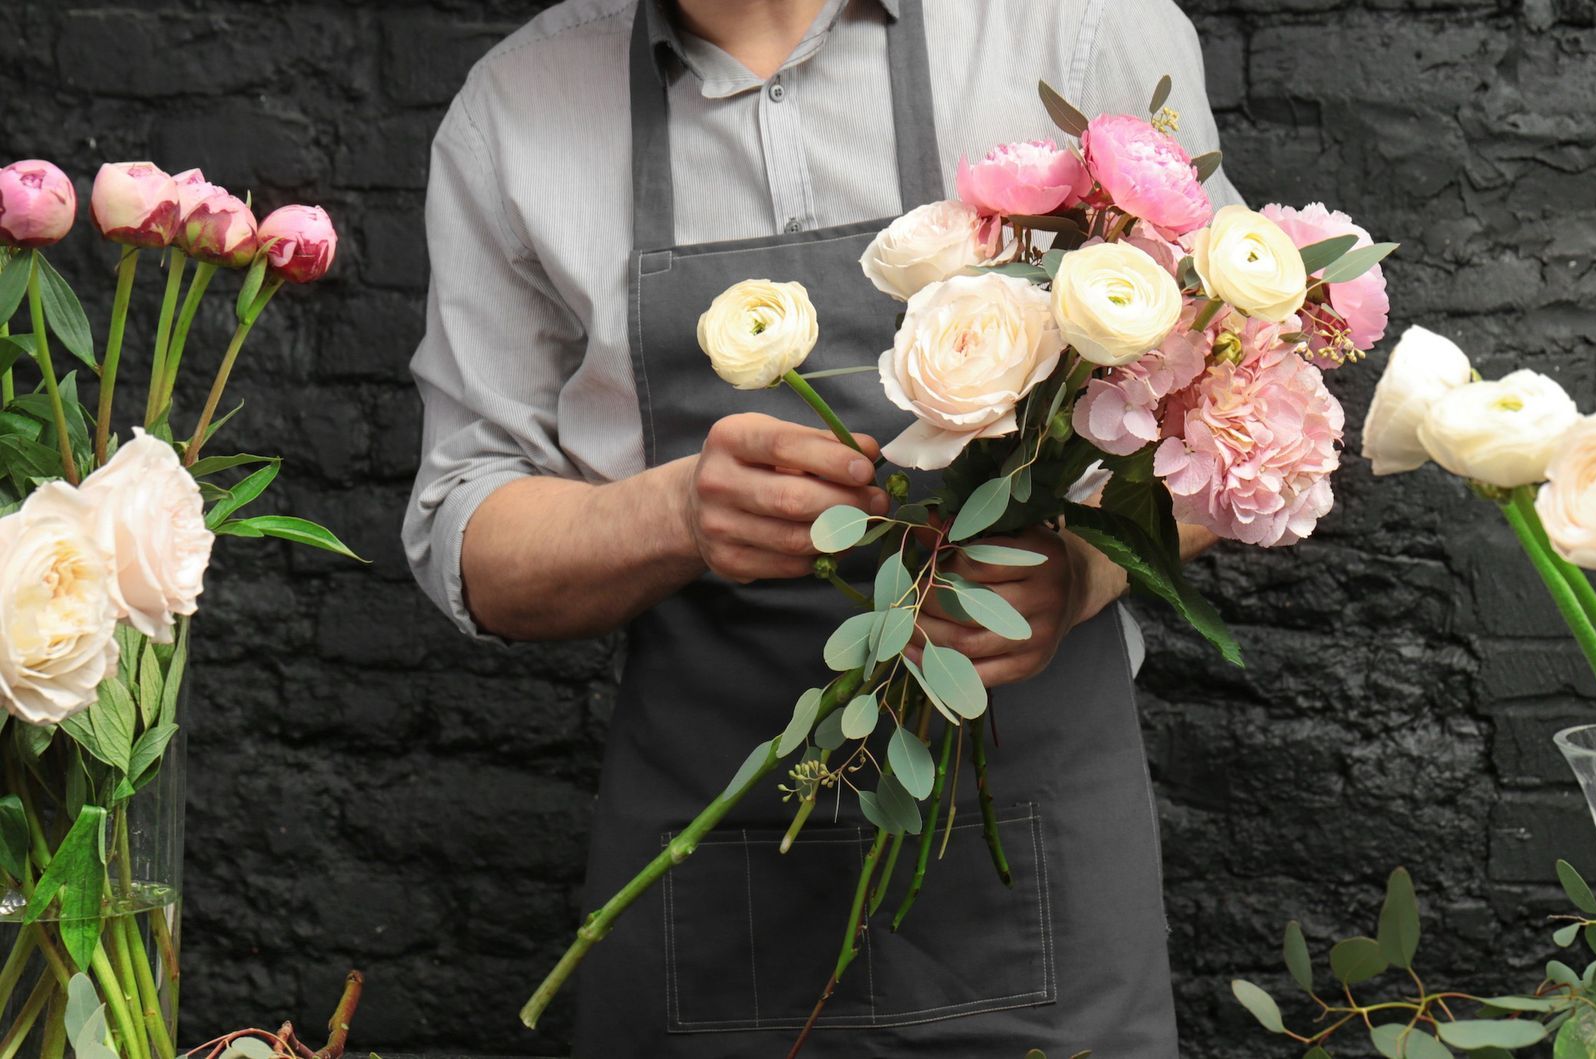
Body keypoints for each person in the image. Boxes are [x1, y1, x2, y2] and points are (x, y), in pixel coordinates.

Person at [404, 0, 1239, 1054]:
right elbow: (468, 536)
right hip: (707, 898)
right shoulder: (515, 110)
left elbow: (1233, 416)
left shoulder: (1071, 29)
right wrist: (672, 513)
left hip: (1039, 881)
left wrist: (1080, 569)